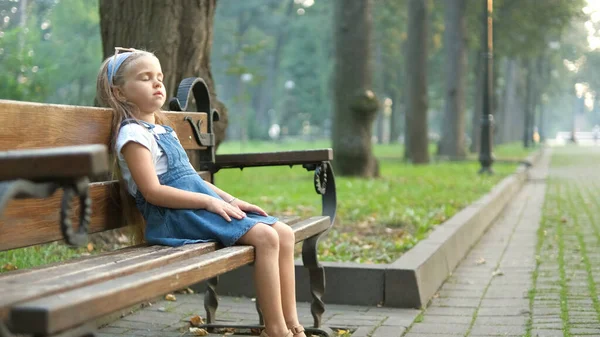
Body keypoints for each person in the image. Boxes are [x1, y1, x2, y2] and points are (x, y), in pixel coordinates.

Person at [96, 47, 305, 337]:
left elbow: (191, 178)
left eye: (159, 77)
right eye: (145, 78)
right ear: (119, 93)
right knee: (267, 237)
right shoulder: (133, 135)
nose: (157, 83)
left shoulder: (161, 129)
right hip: (170, 216)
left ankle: (294, 324)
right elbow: (153, 192)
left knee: (285, 233)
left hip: (193, 208)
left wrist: (230, 200)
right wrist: (209, 203)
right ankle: (276, 330)